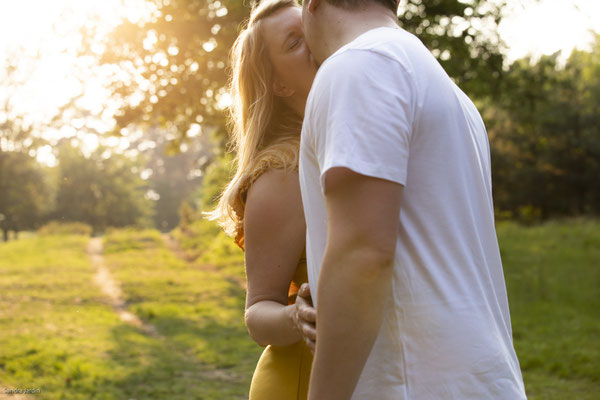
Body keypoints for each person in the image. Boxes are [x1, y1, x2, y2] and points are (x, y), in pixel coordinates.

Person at [298, 0, 528, 399]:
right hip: (475, 379)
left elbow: (362, 256)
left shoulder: (359, 66)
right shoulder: (444, 89)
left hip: (415, 383)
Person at [207, 0, 317, 399]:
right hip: (301, 380)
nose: (314, 42)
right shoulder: (283, 172)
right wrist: (297, 318)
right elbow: (258, 314)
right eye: (294, 42)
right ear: (280, 85)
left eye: (309, 28)